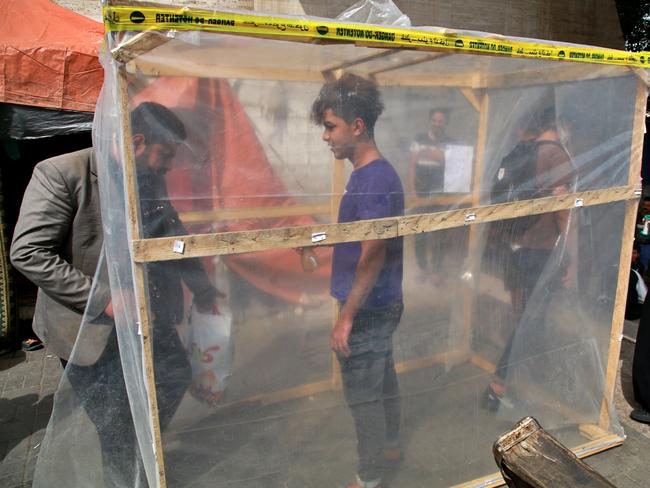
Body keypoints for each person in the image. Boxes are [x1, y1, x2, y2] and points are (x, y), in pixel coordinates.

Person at [11, 101, 220, 487]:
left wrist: (203, 287)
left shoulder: (147, 175)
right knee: (115, 425)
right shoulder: (61, 173)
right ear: (137, 141)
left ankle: (142, 455)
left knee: (173, 377)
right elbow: (28, 252)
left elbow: (170, 234)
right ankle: (125, 476)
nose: (168, 165)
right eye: (165, 154)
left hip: (144, 318)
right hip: (87, 328)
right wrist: (104, 298)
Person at [311, 73, 404, 488]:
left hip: (368, 305)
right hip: (377, 302)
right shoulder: (368, 176)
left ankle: (369, 477)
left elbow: (374, 251)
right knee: (382, 376)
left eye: (331, 126)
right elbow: (359, 239)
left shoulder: (374, 179)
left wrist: (346, 316)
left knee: (362, 394)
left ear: (357, 126)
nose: (326, 137)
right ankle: (390, 447)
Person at [483, 105, 575, 411]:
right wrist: (569, 254)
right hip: (539, 249)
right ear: (559, 124)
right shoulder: (555, 154)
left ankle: (520, 381)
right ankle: (498, 387)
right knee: (529, 320)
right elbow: (562, 207)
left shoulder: (525, 151)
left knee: (523, 316)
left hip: (515, 246)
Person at [407, 108, 452, 284]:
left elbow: (456, 167)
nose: (437, 123)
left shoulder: (450, 143)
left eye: (440, 121)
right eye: (434, 120)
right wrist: (412, 191)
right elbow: (411, 165)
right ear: (430, 121)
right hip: (421, 193)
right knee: (419, 232)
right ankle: (423, 269)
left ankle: (437, 270)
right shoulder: (419, 139)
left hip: (442, 195)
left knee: (440, 233)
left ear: (446, 123)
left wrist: (440, 157)